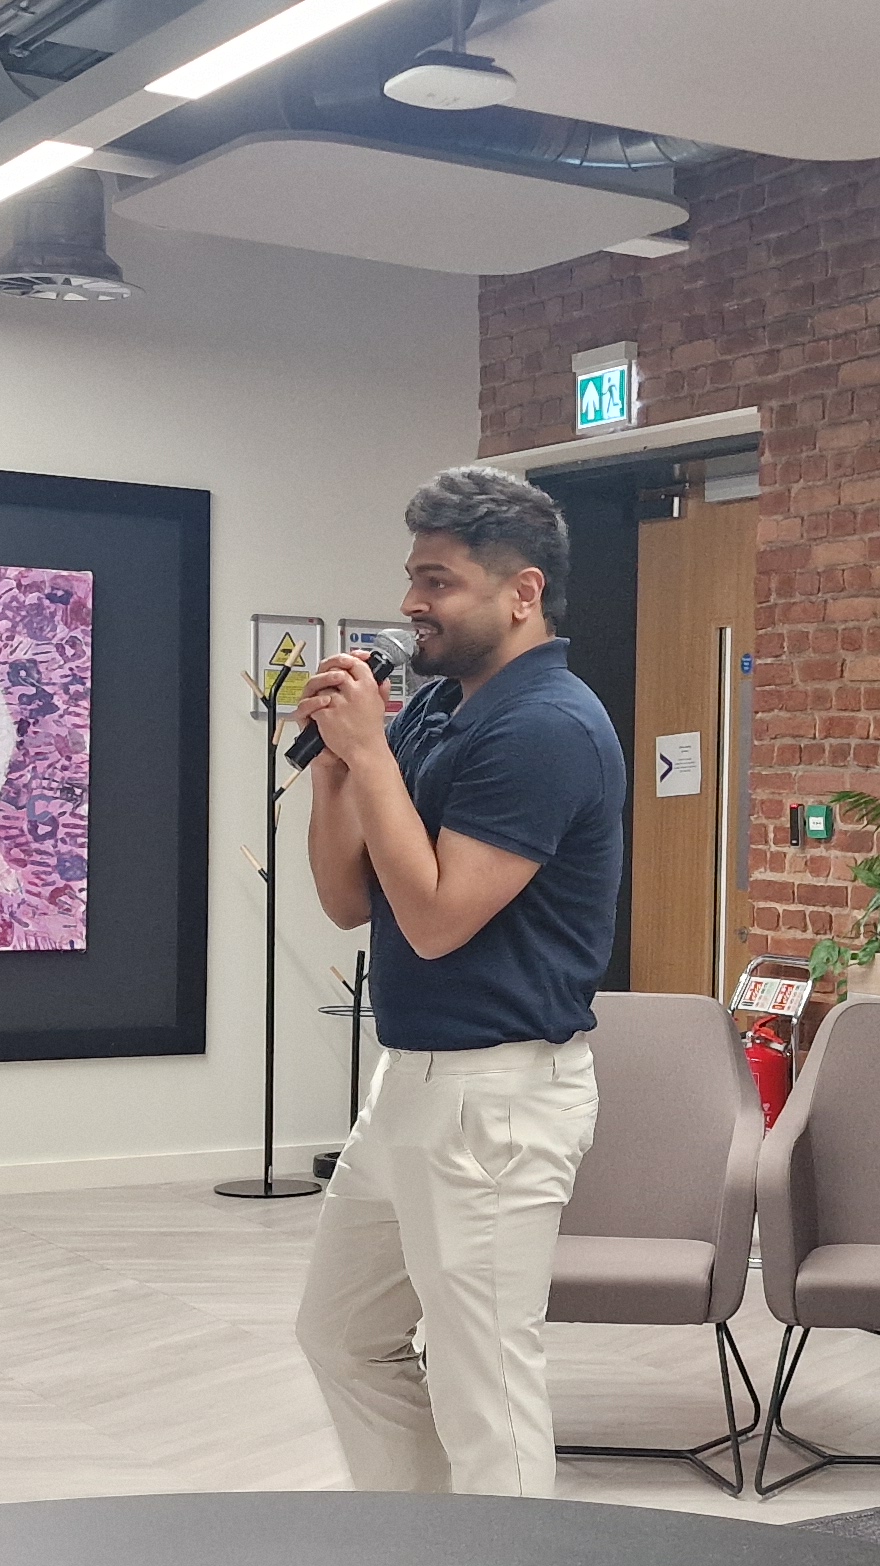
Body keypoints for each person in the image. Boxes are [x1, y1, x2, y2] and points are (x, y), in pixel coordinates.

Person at [291, 468, 625, 1496]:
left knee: (487, 1388)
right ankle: (425, 1559)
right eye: (411, 577)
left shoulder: (547, 728)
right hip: (412, 1084)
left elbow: (436, 920)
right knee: (342, 1334)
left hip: (499, 1097)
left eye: (437, 581)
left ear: (520, 593)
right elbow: (350, 899)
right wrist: (338, 770)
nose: (409, 605)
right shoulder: (440, 712)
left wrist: (375, 760)